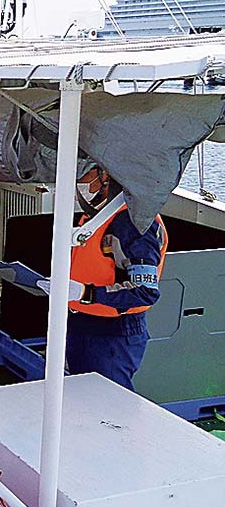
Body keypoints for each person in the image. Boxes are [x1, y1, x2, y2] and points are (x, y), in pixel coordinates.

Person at [36, 164, 168, 389]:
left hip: (112, 335)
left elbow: (145, 292)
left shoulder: (134, 222)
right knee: (82, 400)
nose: (77, 182)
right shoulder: (96, 215)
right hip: (82, 324)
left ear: (105, 175)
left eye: (82, 174)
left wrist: (86, 293)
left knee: (109, 410)